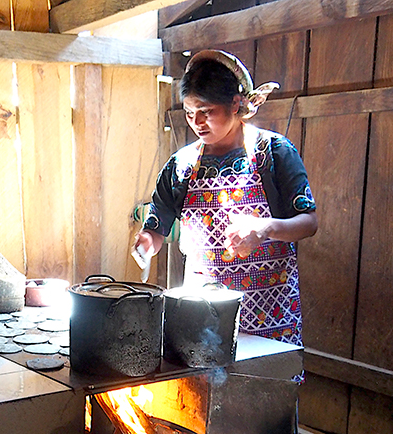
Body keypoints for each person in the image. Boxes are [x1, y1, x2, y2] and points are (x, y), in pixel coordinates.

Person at [134, 50, 318, 346]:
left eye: (207, 111)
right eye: (190, 113)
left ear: (236, 103)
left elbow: (308, 222)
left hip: (270, 315)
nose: (197, 122)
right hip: (203, 315)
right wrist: (146, 244)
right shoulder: (181, 166)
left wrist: (265, 228)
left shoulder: (275, 153)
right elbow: (157, 229)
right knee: (203, 391)